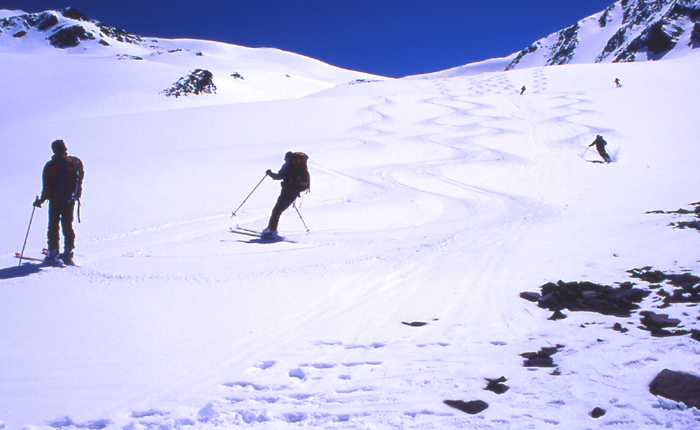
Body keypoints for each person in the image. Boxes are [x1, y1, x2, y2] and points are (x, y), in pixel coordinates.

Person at [33, 139, 84, 266]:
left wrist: (41, 200)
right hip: (70, 200)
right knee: (67, 225)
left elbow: (47, 186)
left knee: (53, 226)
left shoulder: (52, 165)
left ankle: (53, 254)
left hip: (56, 200)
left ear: (54, 150)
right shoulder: (74, 163)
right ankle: (68, 254)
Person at [262, 151, 310, 238]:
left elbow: (279, 176)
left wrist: (270, 174)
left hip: (287, 191)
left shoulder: (289, 164)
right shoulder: (300, 166)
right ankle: (271, 229)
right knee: (278, 210)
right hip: (294, 192)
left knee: (276, 210)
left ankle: (271, 230)